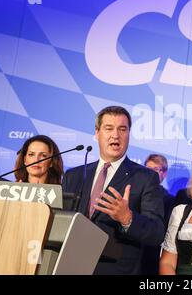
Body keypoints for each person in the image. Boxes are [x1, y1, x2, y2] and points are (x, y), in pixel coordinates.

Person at [62, 106, 165, 275]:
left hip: (117, 269)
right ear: (97, 133)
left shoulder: (145, 178)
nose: (115, 135)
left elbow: (156, 233)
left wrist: (128, 218)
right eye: (109, 128)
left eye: (122, 129)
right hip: (73, 266)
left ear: (129, 134)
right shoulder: (73, 176)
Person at [142, 153, 175, 274]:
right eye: (148, 169)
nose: (151, 173)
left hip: (154, 254)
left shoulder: (170, 200)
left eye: (156, 169)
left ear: (164, 173)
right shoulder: (133, 193)